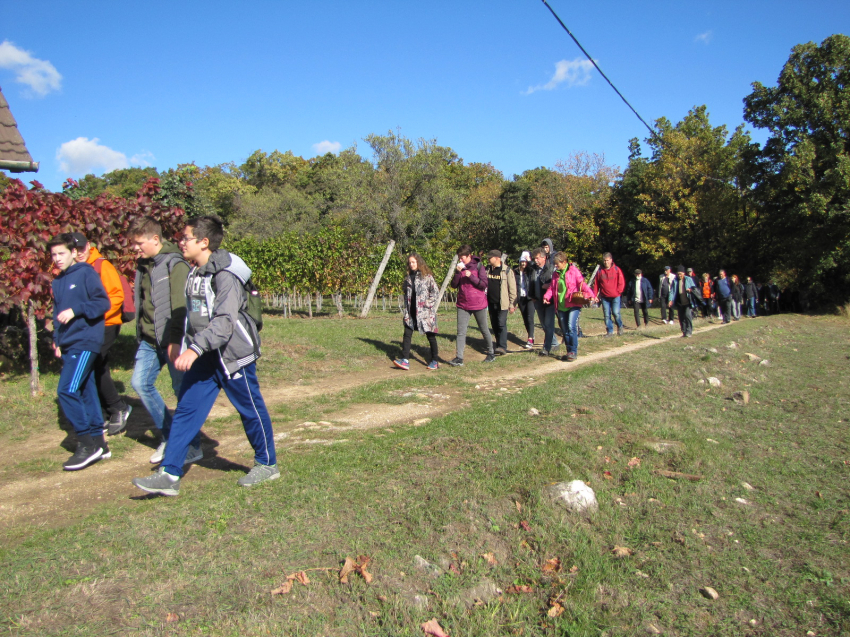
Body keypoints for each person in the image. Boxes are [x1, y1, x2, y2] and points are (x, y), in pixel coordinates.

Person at [132, 215, 278, 496]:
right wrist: (186, 344)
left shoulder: (225, 275)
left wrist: (194, 348)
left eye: (186, 238)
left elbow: (224, 322)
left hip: (234, 354)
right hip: (205, 355)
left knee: (249, 409)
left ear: (204, 242)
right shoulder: (195, 272)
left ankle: (267, 463)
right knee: (187, 409)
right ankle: (169, 473)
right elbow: (193, 317)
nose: (180, 242)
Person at [126, 217, 202, 465]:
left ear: (155, 239)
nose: (134, 248)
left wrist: (175, 341)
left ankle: (192, 445)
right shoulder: (143, 265)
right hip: (149, 339)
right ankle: (170, 435)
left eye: (138, 243)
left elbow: (180, 307)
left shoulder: (175, 265)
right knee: (140, 383)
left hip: (172, 340)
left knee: (182, 391)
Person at [48, 233, 111, 470]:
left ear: (74, 252)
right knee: (85, 390)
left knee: (66, 389)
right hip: (68, 343)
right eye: (53, 254)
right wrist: (57, 340)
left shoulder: (85, 272)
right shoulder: (57, 282)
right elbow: (56, 316)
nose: (57, 258)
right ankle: (99, 444)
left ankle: (86, 444)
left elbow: (102, 303)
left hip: (86, 341)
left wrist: (76, 310)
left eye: (61, 253)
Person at [70, 232, 132, 435]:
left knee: (95, 363)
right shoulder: (74, 269)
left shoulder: (101, 266)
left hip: (106, 323)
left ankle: (118, 407)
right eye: (74, 250)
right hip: (87, 325)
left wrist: (96, 313)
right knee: (96, 365)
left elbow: (116, 295)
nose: (79, 253)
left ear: (88, 246)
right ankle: (105, 412)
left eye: (81, 248)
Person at [543, 252, 596, 361]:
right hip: (561, 305)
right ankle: (569, 352)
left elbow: (583, 284)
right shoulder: (555, 274)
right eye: (555, 264)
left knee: (571, 327)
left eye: (557, 264)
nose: (556, 266)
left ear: (564, 262)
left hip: (573, 304)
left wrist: (591, 295)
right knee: (565, 330)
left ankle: (573, 351)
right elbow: (552, 288)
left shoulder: (574, 271)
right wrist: (547, 297)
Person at [448, 246, 495, 366]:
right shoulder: (460, 268)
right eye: (459, 258)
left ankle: (491, 353)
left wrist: (471, 276)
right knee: (461, 332)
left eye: (462, 257)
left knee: (484, 329)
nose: (461, 260)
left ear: (469, 256)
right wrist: (458, 273)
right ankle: (459, 358)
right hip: (463, 304)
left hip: (478, 304)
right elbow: (454, 285)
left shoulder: (479, 267)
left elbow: (483, 285)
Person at [393, 253, 439, 370]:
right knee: (407, 334)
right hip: (411, 311)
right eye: (410, 263)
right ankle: (405, 360)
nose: (411, 264)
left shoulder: (427, 277)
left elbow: (435, 293)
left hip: (425, 313)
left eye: (413, 262)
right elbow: (405, 293)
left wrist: (427, 304)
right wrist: (406, 308)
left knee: (431, 336)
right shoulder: (408, 278)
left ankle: (435, 361)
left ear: (419, 262)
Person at [485, 249, 517, 355]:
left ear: (497, 258)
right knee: (494, 324)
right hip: (490, 302)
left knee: (501, 324)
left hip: (503, 303)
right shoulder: (487, 270)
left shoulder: (507, 271)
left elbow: (512, 289)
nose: (488, 259)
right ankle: (498, 344)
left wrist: (512, 304)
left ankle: (503, 347)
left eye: (490, 257)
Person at [530, 247, 556, 356]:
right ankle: (554, 343)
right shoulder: (533, 269)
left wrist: (549, 286)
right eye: (534, 258)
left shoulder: (551, 268)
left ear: (544, 258)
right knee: (544, 325)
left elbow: (557, 282)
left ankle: (547, 348)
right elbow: (529, 282)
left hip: (549, 300)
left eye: (537, 258)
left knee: (548, 324)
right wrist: (531, 295)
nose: (536, 261)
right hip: (537, 300)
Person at [592, 252, 625, 336]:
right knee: (606, 315)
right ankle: (610, 331)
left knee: (616, 313)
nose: (606, 262)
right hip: (604, 297)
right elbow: (596, 284)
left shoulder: (617, 270)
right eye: (604, 260)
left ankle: (620, 326)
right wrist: (595, 295)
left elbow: (621, 282)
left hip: (615, 296)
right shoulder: (600, 271)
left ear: (611, 260)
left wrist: (619, 291)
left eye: (607, 260)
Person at [668, 266, 699, 338]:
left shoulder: (689, 279)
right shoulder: (675, 281)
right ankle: (684, 331)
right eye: (678, 274)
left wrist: (690, 290)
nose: (679, 275)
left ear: (684, 273)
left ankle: (689, 331)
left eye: (680, 274)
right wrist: (670, 300)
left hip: (688, 302)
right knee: (681, 318)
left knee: (688, 316)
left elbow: (694, 289)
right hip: (679, 302)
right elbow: (672, 291)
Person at [514, 251, 536, 349]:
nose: (523, 263)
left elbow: (534, 266)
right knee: (525, 319)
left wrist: (529, 260)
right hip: (521, 298)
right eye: (522, 261)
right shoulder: (516, 272)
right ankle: (530, 334)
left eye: (525, 262)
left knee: (530, 317)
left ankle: (530, 338)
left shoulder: (530, 271)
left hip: (530, 297)